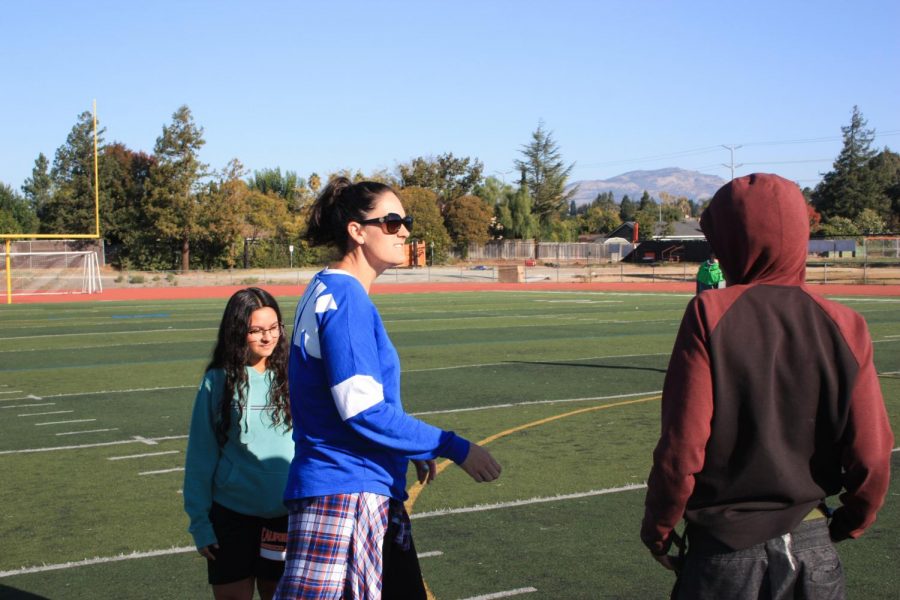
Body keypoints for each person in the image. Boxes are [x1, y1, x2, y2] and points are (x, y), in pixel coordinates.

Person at [640, 173, 893, 599]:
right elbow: (871, 454)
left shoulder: (710, 313)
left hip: (724, 555)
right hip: (813, 550)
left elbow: (682, 449)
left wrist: (659, 529)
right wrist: (850, 521)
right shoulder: (847, 324)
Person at [276, 177, 502, 599]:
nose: (404, 232)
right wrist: (453, 446)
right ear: (357, 231)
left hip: (348, 485)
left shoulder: (325, 287)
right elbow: (362, 410)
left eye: (406, 221)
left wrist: (407, 447)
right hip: (347, 492)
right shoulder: (347, 299)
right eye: (393, 222)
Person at [184, 287, 294, 600]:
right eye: (256, 330)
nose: (267, 337)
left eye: (273, 328)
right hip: (231, 517)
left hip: (283, 516)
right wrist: (200, 523)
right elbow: (201, 456)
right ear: (237, 331)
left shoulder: (294, 375)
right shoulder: (217, 380)